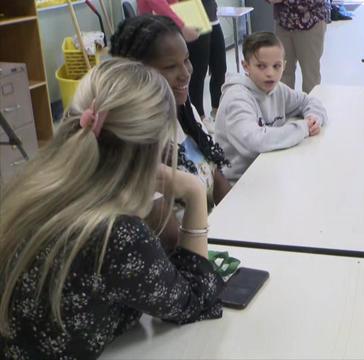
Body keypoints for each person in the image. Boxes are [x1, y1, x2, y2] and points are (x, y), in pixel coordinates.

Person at [0, 59, 224, 359]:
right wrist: (194, 192)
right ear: (153, 147)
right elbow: (195, 300)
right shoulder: (116, 234)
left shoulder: (34, 186)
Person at [111, 15, 231, 209]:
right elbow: (171, 235)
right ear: (137, 73)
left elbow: (217, 177)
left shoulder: (184, 112)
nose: (185, 73)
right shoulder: (136, 139)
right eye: (170, 66)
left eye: (186, 60)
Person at [214, 32, 328, 183]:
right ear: (245, 66)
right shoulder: (236, 99)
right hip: (238, 182)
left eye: (276, 66)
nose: (270, 73)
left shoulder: (278, 89)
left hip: (270, 169)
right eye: (261, 66)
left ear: (284, 65)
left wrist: (313, 118)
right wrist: (302, 128)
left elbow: (308, 101)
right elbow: (255, 142)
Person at [136, 0, 226, 132]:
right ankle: (198, 116)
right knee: (194, 72)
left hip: (197, 14)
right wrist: (181, 25)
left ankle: (212, 111)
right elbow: (160, 4)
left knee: (217, 67)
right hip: (164, 25)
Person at [267, 0, 330, 93]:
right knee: (282, 71)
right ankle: (285, 106)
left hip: (311, 19)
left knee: (310, 73)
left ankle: (311, 106)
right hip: (284, 20)